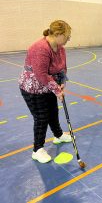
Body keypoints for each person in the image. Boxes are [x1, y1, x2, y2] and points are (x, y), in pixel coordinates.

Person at [18, 20, 72, 163]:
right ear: (58, 34)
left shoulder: (61, 48)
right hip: (33, 88)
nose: (69, 39)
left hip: (48, 86)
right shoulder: (40, 48)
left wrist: (61, 83)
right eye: (67, 36)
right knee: (42, 117)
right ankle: (37, 149)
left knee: (53, 112)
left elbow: (62, 68)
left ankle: (58, 136)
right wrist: (56, 90)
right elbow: (41, 74)